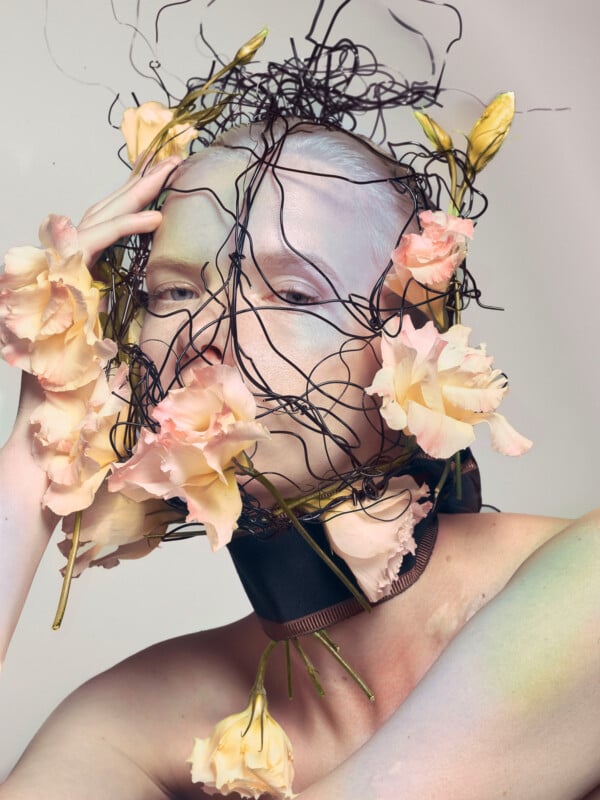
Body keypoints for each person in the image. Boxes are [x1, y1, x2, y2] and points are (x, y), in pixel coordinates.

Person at [1, 2, 599, 798]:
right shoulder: (135, 717)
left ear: (410, 336)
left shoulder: (589, 585)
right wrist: (38, 450)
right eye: (172, 291)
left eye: (293, 292)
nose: (209, 333)